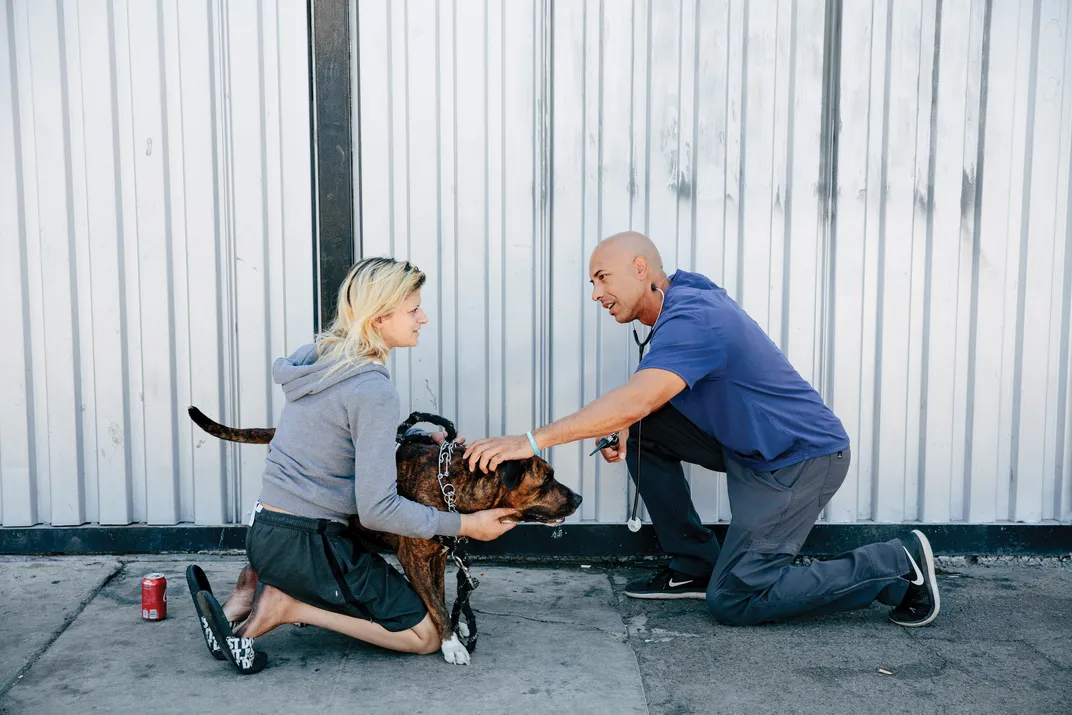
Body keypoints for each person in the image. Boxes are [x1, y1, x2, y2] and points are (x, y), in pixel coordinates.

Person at [464, 232, 939, 628]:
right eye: (592, 282)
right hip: (750, 450)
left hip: (797, 460)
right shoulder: (682, 293)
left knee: (735, 600)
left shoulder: (693, 317)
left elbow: (639, 395)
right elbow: (647, 397)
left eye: (602, 278)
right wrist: (634, 419)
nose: (596, 294)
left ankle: (897, 564)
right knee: (640, 428)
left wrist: (528, 442)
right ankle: (695, 567)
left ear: (640, 268)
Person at [192, 257, 518, 674]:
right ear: (380, 317)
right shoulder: (371, 389)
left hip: (264, 532)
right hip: (308, 545)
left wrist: (407, 442)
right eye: (413, 309)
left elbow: (328, 442)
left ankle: (251, 585)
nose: (424, 317)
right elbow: (378, 510)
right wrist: (469, 526)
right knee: (426, 637)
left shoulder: (320, 361)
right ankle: (284, 605)